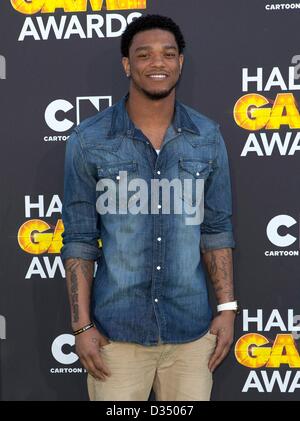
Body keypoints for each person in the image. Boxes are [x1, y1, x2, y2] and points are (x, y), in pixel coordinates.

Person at [61, 14, 237, 401]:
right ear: (127, 64)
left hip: (190, 337)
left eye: (168, 54)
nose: (158, 63)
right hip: (115, 340)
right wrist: (81, 327)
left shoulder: (207, 138)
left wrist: (227, 307)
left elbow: (217, 231)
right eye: (144, 55)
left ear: (180, 63)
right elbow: (78, 240)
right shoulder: (88, 140)